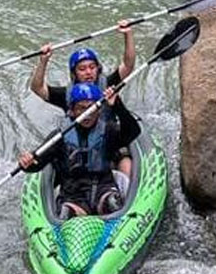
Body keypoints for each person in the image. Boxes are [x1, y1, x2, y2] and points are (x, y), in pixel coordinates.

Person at [17, 82, 142, 218]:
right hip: (73, 195)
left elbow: (133, 132)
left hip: (103, 188)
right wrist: (26, 163)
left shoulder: (108, 130)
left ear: (99, 109)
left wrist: (117, 105)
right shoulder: (60, 137)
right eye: (81, 108)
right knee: (66, 214)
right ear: (72, 110)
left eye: (90, 108)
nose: (87, 114)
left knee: (112, 204)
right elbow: (38, 163)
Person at [29, 24, 136, 176]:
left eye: (92, 67)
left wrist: (128, 35)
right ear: (74, 73)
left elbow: (128, 65)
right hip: (76, 144)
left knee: (126, 162)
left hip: (109, 139)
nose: (88, 72)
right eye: (82, 69)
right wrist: (43, 61)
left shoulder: (108, 85)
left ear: (97, 69)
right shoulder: (67, 94)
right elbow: (37, 88)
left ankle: (130, 196)